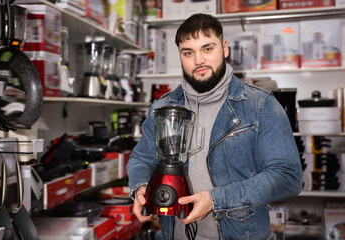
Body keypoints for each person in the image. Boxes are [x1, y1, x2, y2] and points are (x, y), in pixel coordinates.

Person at [127, 13, 303, 240]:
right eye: (188, 52)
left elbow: (287, 177)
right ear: (180, 56)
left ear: (225, 48)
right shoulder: (163, 108)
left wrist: (215, 200)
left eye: (207, 48)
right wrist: (141, 188)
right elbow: (141, 159)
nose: (198, 60)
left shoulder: (260, 105)